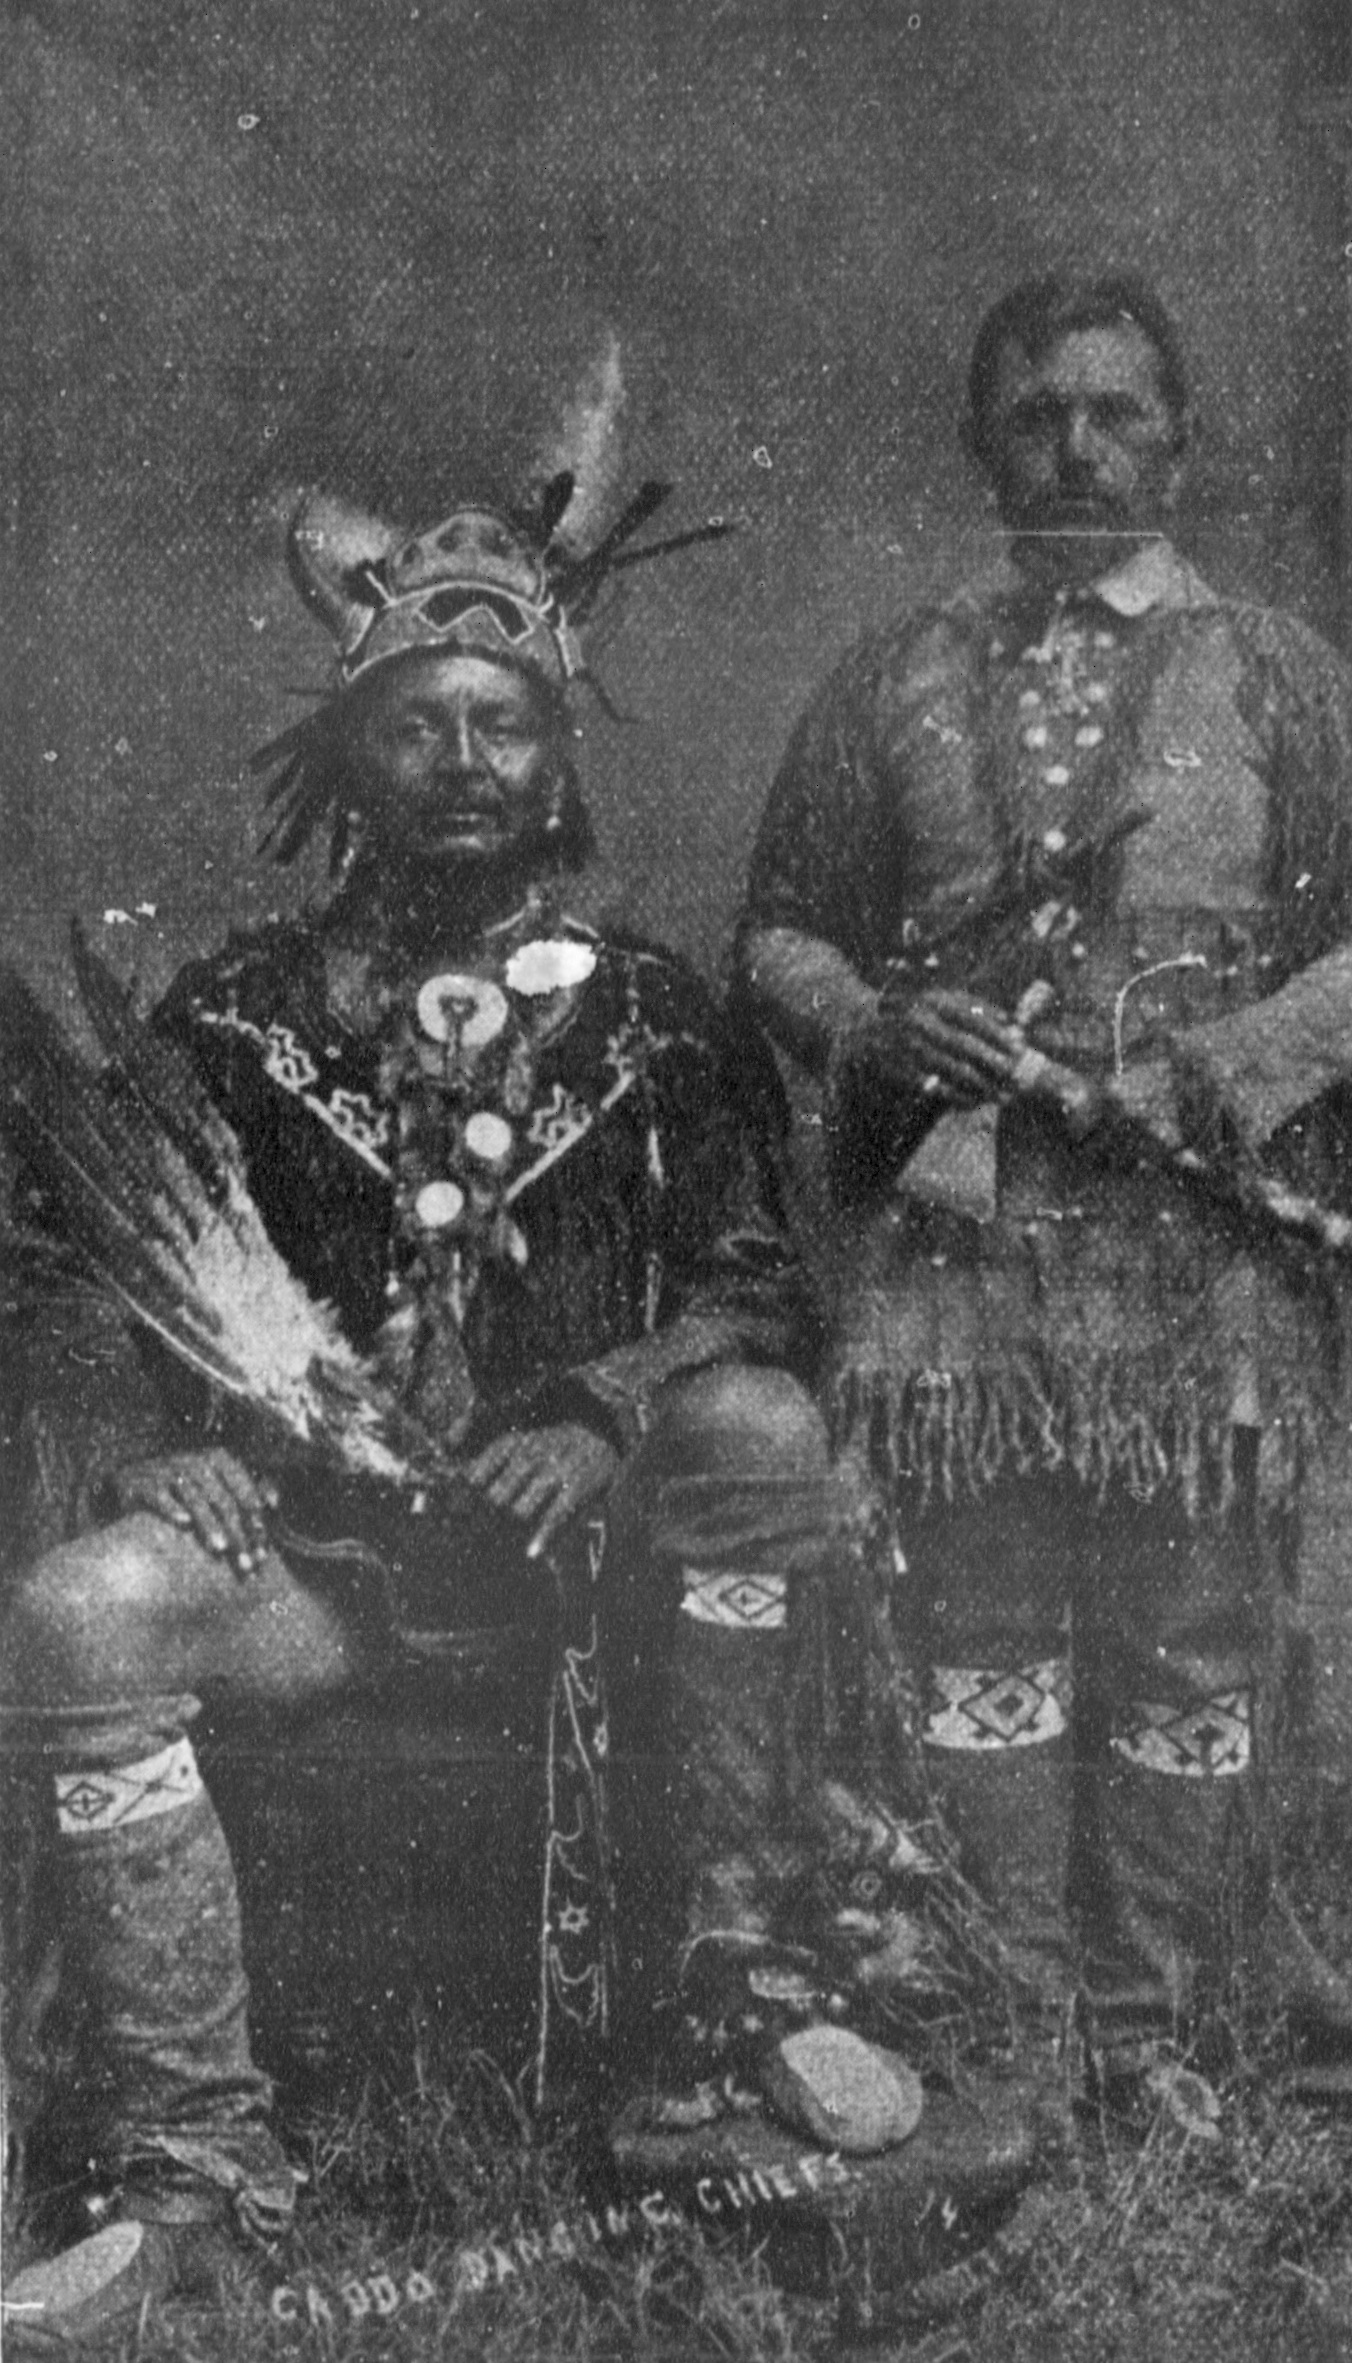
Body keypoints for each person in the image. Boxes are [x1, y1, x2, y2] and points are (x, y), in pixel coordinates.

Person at [0, 494, 852, 2338]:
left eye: (504, 722)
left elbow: (764, 1286)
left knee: (763, 1428)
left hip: (594, 1560)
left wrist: (616, 1412)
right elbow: (84, 1274)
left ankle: (731, 2012)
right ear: (348, 752)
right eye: (417, 724)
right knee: (81, 1608)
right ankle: (196, 2168)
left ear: (555, 753)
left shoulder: (654, 1015)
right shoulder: (231, 1015)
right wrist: (160, 1429)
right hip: (326, 1557)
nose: (463, 761)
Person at [735, 273, 1352, 2124]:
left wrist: (1215, 1074)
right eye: (1037, 414)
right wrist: (881, 1030)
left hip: (1198, 1263)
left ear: (1179, 441)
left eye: (1116, 412)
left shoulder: (1280, 673)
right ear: (985, 444)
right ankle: (1019, 2032)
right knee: (979, 1629)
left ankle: (1154, 2031)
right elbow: (775, 941)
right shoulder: (889, 675)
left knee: (1191, 1631)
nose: (1075, 448)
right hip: (958, 1269)